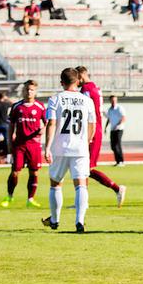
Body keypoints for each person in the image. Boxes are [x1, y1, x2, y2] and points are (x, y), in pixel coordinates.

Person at [42, 68, 96, 233]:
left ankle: (55, 220)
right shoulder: (86, 100)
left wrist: (48, 147)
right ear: (78, 81)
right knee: (80, 184)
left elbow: (51, 123)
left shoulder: (55, 99)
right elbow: (92, 125)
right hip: (80, 148)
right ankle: (79, 221)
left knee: (56, 183)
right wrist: (85, 142)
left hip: (60, 148)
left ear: (61, 82)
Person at [76, 67, 127, 206]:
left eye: (77, 78)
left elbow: (84, 111)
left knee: (87, 168)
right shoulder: (95, 88)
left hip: (91, 131)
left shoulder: (86, 89)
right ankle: (82, 201)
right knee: (83, 168)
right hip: (95, 129)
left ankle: (117, 189)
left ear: (81, 75)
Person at [2, 81, 46, 208]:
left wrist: (44, 129)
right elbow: (11, 126)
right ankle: (9, 196)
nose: (29, 92)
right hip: (20, 145)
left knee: (34, 173)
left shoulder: (40, 107)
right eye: (27, 89)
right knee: (15, 171)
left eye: (31, 90)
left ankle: (30, 199)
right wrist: (10, 141)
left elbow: (48, 122)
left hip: (34, 145)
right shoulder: (17, 107)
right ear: (23, 91)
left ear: (35, 91)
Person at [106, 95, 125, 165]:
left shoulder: (120, 108)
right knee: (113, 146)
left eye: (115, 100)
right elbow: (109, 119)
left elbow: (123, 118)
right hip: (112, 129)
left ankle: (121, 161)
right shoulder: (109, 109)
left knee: (117, 144)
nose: (113, 102)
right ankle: (117, 161)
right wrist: (105, 127)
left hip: (119, 129)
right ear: (110, 101)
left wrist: (118, 125)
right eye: (112, 100)